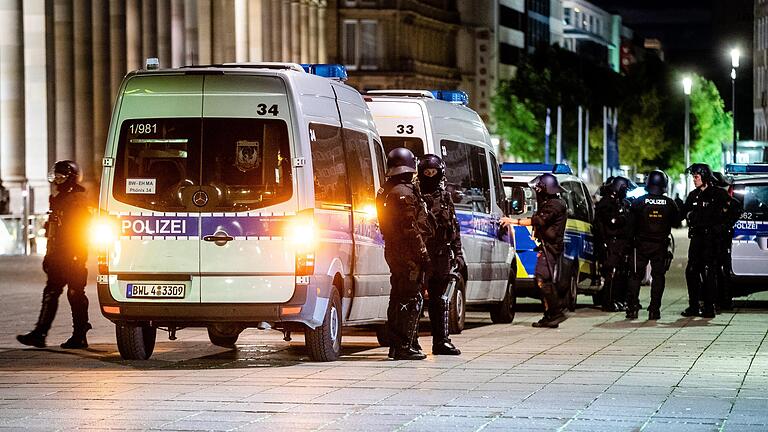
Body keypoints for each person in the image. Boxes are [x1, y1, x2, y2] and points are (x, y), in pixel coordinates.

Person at [17, 160, 92, 349]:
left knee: (75, 294)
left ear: (71, 178)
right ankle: (41, 333)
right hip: (59, 254)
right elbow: (53, 230)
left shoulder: (77, 200)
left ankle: (79, 334)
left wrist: (76, 254)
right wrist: (49, 255)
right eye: (56, 177)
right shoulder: (58, 199)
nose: (57, 180)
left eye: (61, 177)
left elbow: (79, 229)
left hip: (73, 254)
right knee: (52, 292)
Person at [376, 148, 433, 360]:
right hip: (408, 253)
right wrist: (423, 253)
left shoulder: (385, 191)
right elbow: (410, 227)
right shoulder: (404, 193)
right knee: (410, 298)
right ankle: (403, 346)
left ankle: (398, 344)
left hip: (394, 250)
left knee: (398, 296)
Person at [501, 173, 568, 328]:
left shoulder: (555, 205)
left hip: (551, 248)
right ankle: (549, 315)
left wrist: (513, 221)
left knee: (542, 279)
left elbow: (539, 220)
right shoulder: (551, 203)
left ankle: (555, 312)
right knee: (541, 278)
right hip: (546, 246)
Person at [417, 154, 462, 356]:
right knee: (415, 298)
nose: (430, 176)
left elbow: (453, 226)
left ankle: (441, 341)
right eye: (426, 172)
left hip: (442, 254)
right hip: (421, 255)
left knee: (440, 300)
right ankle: (411, 341)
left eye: (433, 172)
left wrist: (458, 253)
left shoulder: (445, 197)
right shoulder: (415, 196)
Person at [625, 170, 680, 320]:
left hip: (640, 245)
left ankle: (632, 309)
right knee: (658, 277)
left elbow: (630, 225)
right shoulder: (670, 203)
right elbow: (677, 223)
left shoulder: (638, 202)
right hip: (660, 245)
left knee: (635, 277)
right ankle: (654, 310)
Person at [681, 163, 731, 318]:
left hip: (712, 240)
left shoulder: (719, 194)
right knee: (691, 271)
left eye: (696, 177)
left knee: (709, 272)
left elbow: (734, 210)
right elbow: (682, 214)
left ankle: (709, 307)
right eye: (693, 177)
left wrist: (723, 227)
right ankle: (694, 306)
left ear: (705, 177)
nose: (694, 180)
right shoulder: (693, 195)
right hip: (697, 238)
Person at [593, 176, 634, 312]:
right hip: (610, 243)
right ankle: (608, 302)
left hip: (618, 243)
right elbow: (612, 222)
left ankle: (617, 299)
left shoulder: (619, 202)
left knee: (620, 273)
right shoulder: (607, 203)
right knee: (611, 273)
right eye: (625, 189)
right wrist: (624, 219)